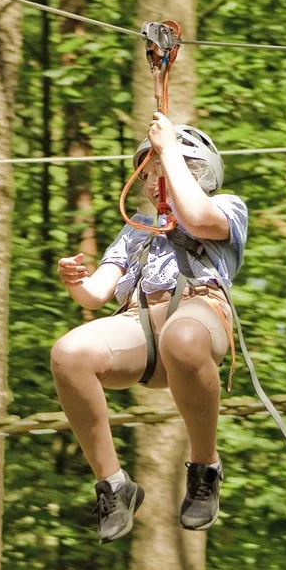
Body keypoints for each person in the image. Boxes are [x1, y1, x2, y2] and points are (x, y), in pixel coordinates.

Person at [51, 111, 247, 542]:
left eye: (165, 168)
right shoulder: (136, 231)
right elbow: (97, 294)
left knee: (182, 336)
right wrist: (77, 283)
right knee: (68, 353)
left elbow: (196, 218)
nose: (155, 179)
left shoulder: (226, 207)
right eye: (149, 171)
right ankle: (114, 485)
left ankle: (204, 469)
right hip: (140, 326)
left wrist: (168, 149)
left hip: (198, 313)